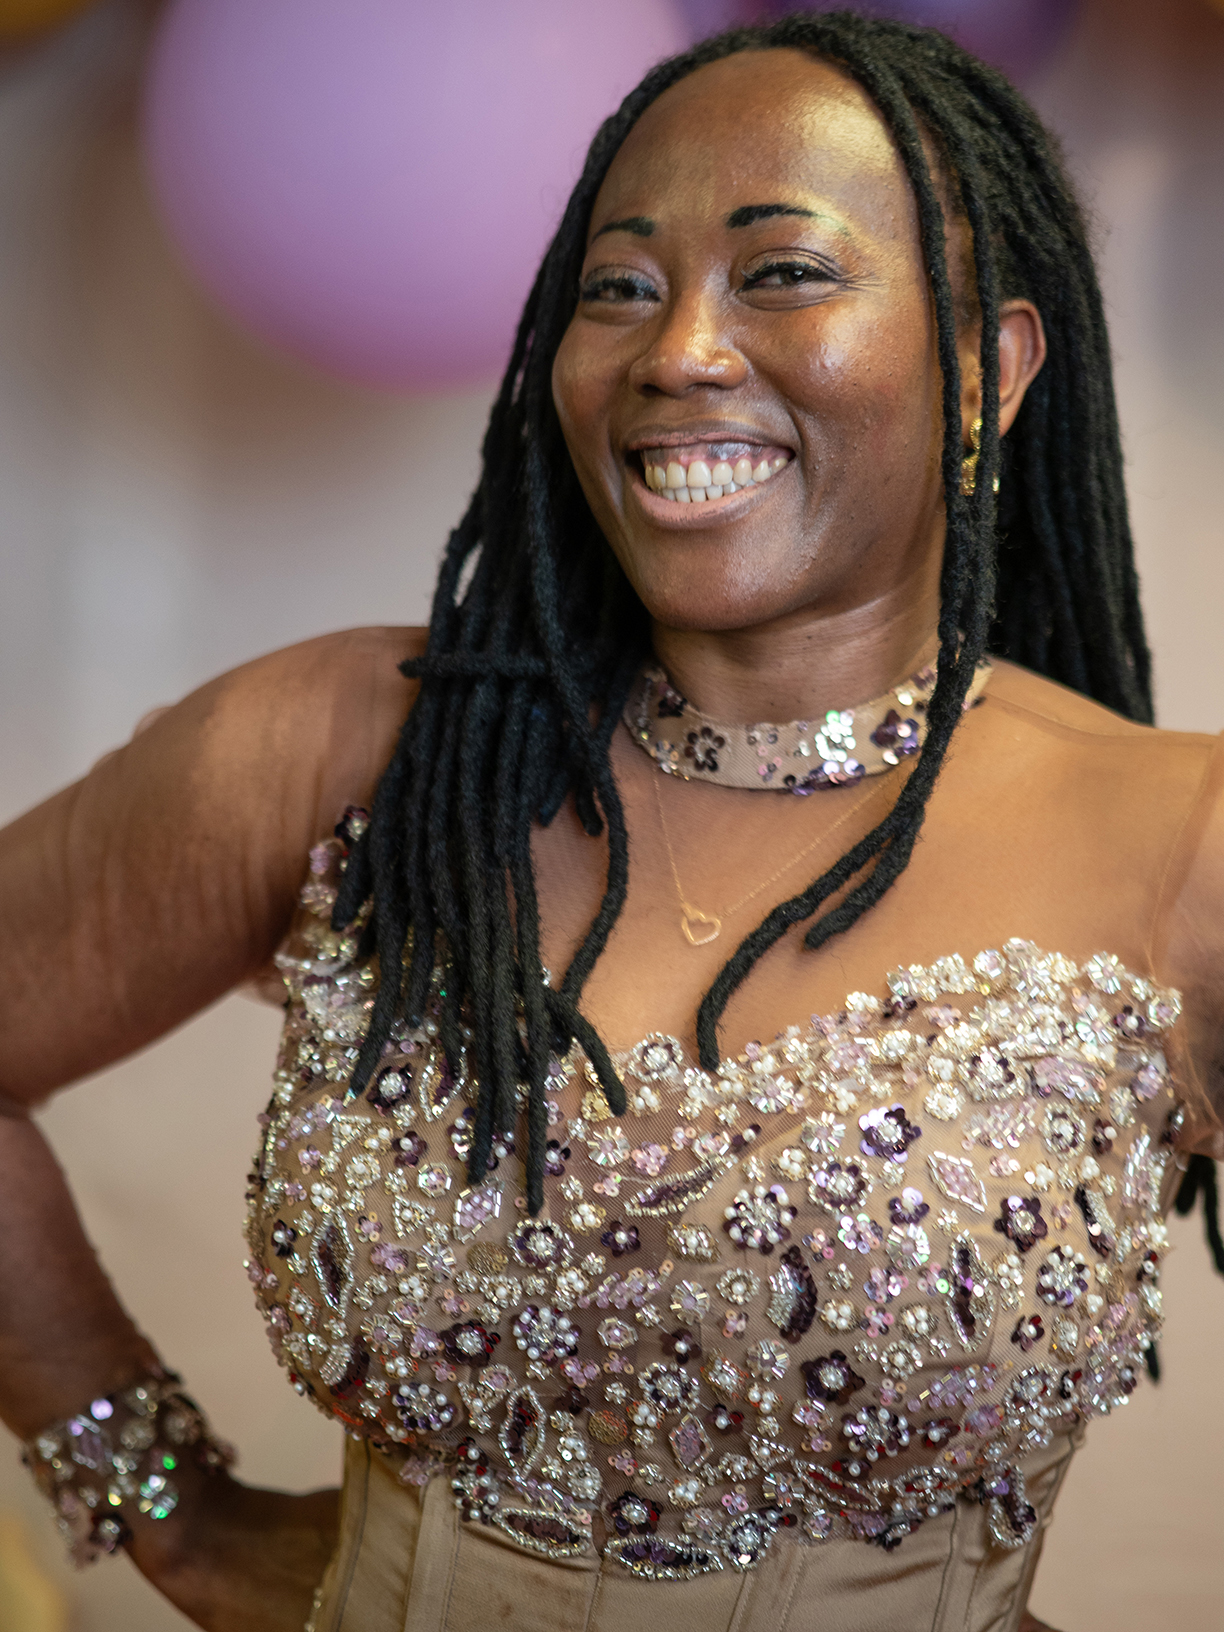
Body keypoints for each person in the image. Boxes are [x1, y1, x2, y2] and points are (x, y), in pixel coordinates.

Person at [2, 11, 1221, 1631]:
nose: (680, 351)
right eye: (619, 287)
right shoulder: (352, 752)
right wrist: (168, 1504)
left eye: (784, 273)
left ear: (988, 369)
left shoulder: (1184, 840)